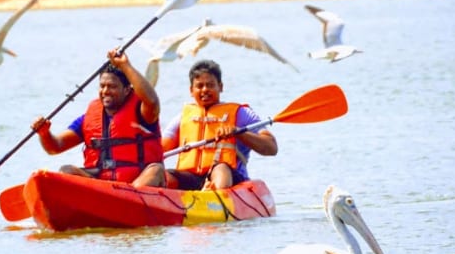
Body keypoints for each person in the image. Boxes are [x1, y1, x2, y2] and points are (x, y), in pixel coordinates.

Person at [31, 48, 165, 187]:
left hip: (138, 186)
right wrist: (44, 133)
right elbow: (55, 147)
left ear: (126, 90)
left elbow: (152, 102)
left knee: (156, 170)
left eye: (112, 86)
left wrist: (125, 65)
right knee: (66, 171)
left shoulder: (143, 113)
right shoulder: (88, 118)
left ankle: (131, 201)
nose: (105, 91)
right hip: (103, 186)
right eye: (102, 86)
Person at [162, 59, 277, 190]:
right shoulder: (182, 118)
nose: (205, 90)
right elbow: (159, 149)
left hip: (229, 178)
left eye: (210, 85)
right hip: (190, 178)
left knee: (221, 168)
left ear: (220, 87)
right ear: (191, 90)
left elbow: (271, 147)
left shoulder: (241, 113)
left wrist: (239, 132)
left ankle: (215, 198)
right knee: (162, 174)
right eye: (199, 86)